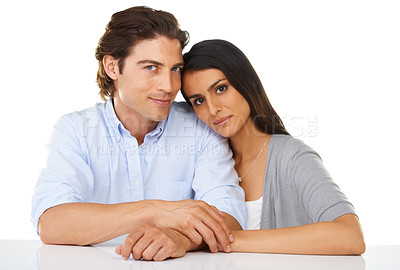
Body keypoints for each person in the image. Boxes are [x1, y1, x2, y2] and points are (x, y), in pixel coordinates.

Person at [31, 8, 246, 261]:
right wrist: (154, 211)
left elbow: (229, 218)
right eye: (151, 67)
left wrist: (182, 239)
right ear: (112, 67)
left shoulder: (200, 126)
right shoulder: (76, 130)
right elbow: (52, 223)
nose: (169, 86)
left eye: (175, 69)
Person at [181, 39, 365, 255]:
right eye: (199, 101)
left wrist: (226, 238)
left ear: (246, 83)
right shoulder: (205, 164)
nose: (213, 109)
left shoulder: (291, 157)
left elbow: (350, 236)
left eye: (221, 89)